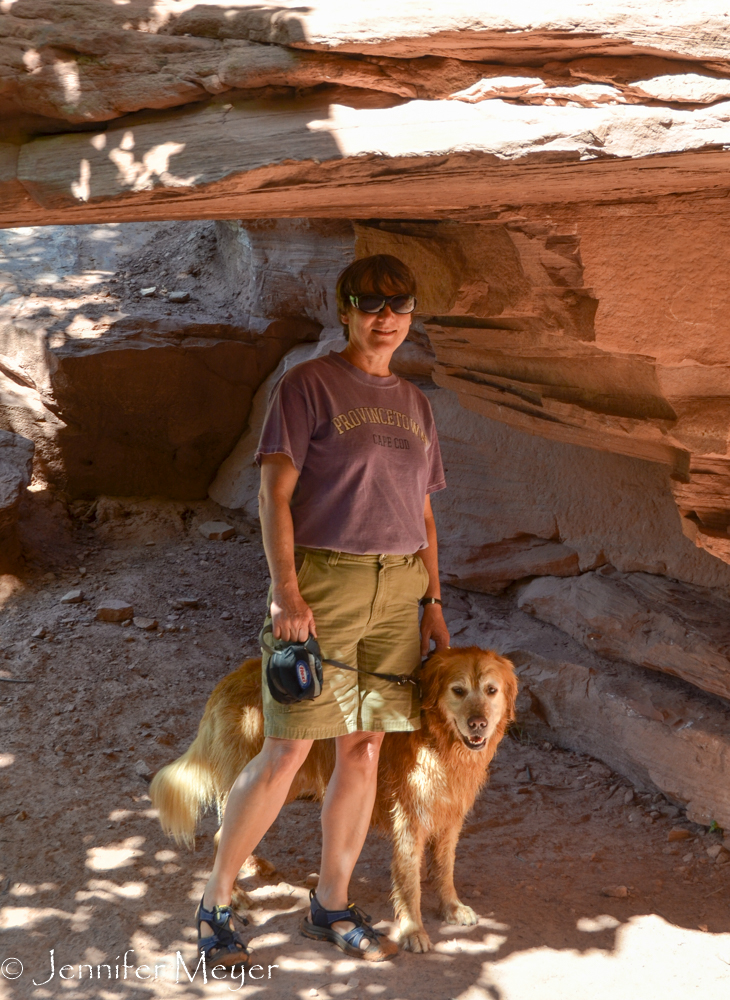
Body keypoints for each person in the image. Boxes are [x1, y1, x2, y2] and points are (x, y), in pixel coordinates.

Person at [196, 254, 450, 966]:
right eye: (371, 305)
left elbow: (423, 513)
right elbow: (273, 493)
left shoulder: (416, 403)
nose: (386, 318)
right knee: (286, 750)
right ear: (344, 310)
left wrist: (433, 600)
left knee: (365, 748)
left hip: (399, 589)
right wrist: (286, 594)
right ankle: (216, 903)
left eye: (400, 307)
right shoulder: (307, 385)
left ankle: (330, 903)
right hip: (324, 583)